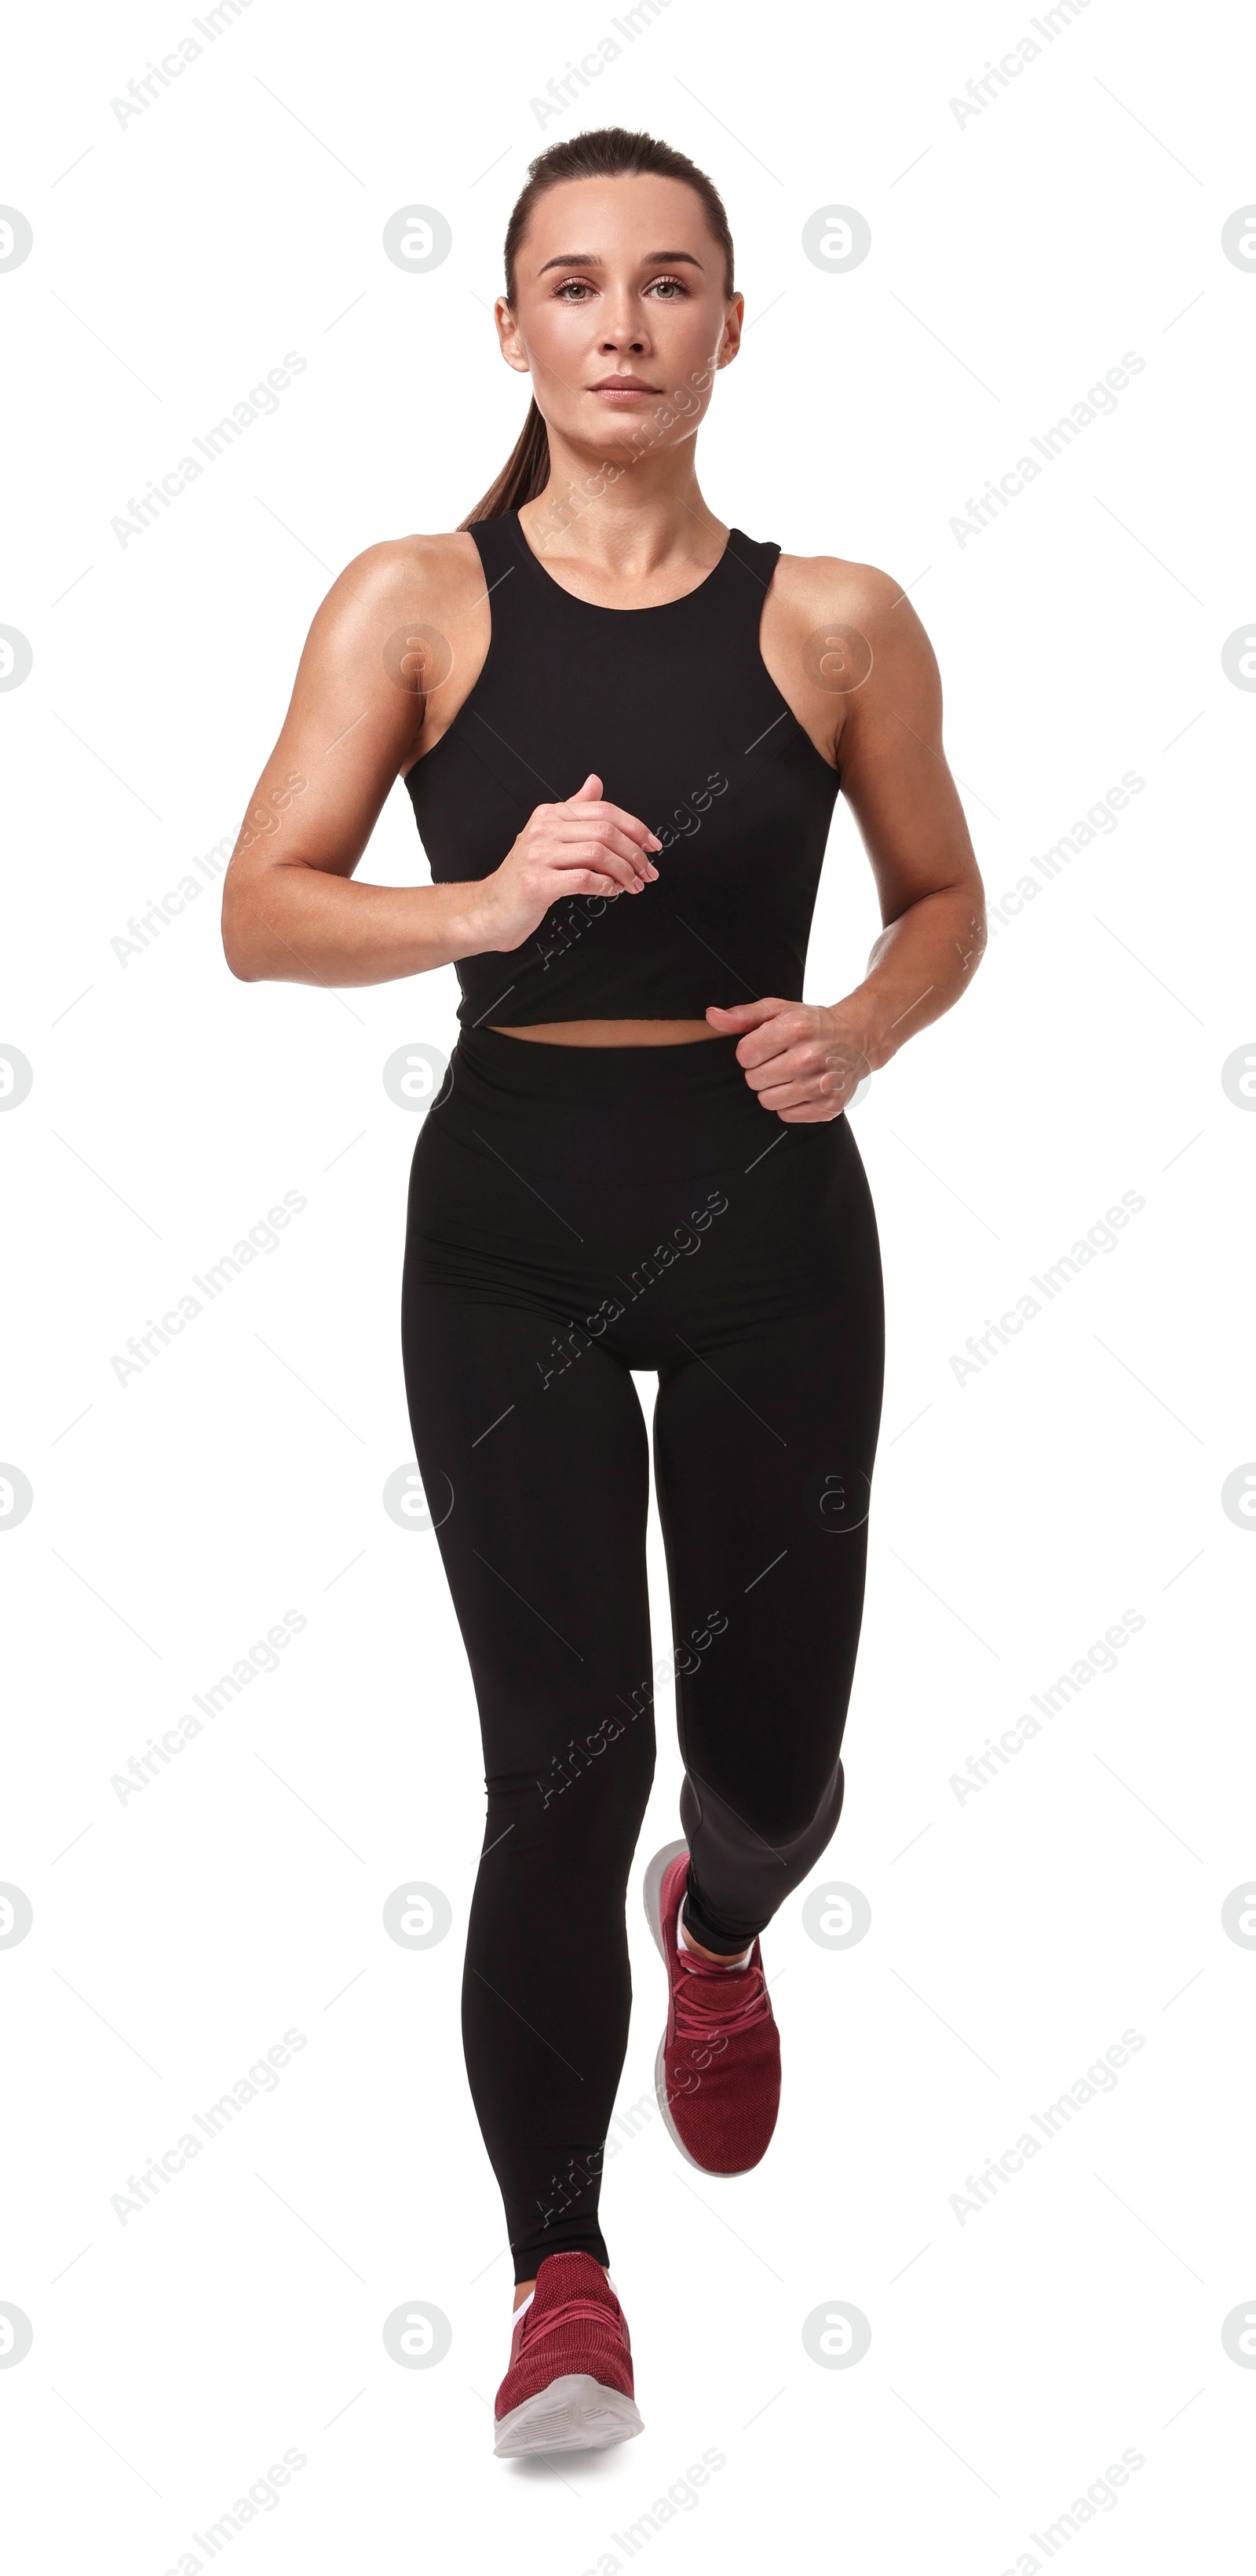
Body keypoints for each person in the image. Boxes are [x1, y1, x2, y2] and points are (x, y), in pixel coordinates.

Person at [221, 123, 985, 2460]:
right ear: (516, 330)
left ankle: (725, 1924)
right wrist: (484, 901)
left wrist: (861, 1022)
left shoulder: (838, 614)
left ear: (733, 325)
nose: (625, 326)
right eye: (577, 286)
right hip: (517, 1214)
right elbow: (267, 905)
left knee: (761, 1765)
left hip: (771, 1215)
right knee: (563, 1756)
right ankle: (562, 2271)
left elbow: (947, 895)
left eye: (670, 286)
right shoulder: (412, 600)